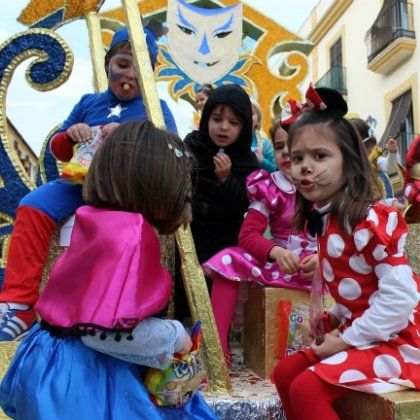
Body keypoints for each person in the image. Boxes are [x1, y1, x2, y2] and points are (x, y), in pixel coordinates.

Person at [0, 120, 217, 420]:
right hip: (80, 377)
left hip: (48, 357)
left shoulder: (97, 219)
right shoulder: (130, 234)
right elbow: (102, 334)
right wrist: (174, 335)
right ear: (151, 183)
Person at [0, 25, 177, 341]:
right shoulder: (88, 102)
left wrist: (124, 140)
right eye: (123, 64)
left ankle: (112, 310)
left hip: (124, 193)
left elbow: (171, 151)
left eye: (140, 66)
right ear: (109, 63)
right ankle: (19, 303)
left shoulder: (156, 109)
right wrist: (71, 135)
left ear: (151, 72)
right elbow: (58, 147)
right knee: (31, 205)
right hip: (79, 184)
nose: (130, 74)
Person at [273, 89, 420, 420]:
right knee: (285, 374)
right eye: (297, 158)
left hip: (400, 343)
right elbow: (357, 288)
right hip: (367, 333)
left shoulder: (369, 218)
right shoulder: (328, 219)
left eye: (319, 156)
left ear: (349, 162)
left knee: (306, 387)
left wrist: (345, 339)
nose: (305, 168)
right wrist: (336, 319)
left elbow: (400, 299)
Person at [202, 118, 318, 365]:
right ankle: (215, 349)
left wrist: (324, 258)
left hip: (323, 273)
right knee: (228, 258)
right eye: (278, 146)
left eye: (293, 144)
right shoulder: (271, 187)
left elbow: (346, 237)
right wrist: (275, 252)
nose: (286, 152)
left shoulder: (328, 186)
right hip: (280, 268)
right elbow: (247, 236)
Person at [185, 84, 259, 269]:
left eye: (233, 123)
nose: (223, 127)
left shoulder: (246, 161)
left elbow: (245, 203)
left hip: (225, 240)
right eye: (217, 119)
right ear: (206, 117)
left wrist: (227, 180)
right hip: (189, 232)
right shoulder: (193, 145)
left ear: (243, 127)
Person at [350, 118, 401, 200]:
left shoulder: (374, 155)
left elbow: (389, 168)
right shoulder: (345, 163)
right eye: (367, 150)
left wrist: (392, 153)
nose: (370, 152)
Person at [250, 99, 276, 173]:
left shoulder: (264, 144)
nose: (247, 115)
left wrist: (262, 161)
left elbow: (278, 171)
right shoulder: (230, 141)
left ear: (258, 121)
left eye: (251, 113)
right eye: (244, 113)